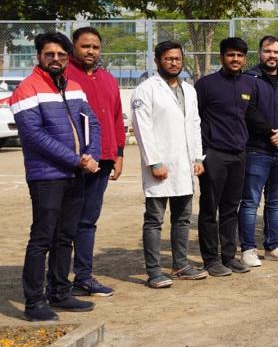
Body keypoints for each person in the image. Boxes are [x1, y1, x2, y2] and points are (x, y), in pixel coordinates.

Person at [11, 32, 101, 321]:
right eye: (50, 54)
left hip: (75, 173)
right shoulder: (27, 88)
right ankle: (34, 301)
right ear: (39, 56)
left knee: (66, 236)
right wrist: (76, 159)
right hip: (46, 176)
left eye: (61, 55)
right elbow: (34, 136)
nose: (56, 59)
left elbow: (92, 121)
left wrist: (91, 155)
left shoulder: (73, 86)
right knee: (42, 238)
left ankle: (60, 293)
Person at [131, 41, 209, 288]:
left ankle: (181, 264)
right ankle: (154, 271)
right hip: (160, 166)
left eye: (177, 58)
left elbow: (195, 124)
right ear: (157, 61)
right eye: (168, 59)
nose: (174, 62)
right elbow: (142, 129)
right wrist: (154, 162)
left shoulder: (189, 90)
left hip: (185, 166)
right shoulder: (146, 90)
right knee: (154, 219)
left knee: (183, 219)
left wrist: (198, 158)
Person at [195, 37, 269, 277]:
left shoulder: (249, 85)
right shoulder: (206, 85)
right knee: (210, 208)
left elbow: (253, 117)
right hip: (214, 154)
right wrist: (201, 154)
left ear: (245, 59)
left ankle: (229, 256)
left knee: (230, 208)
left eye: (239, 55)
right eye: (230, 55)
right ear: (221, 57)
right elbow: (194, 121)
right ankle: (211, 259)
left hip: (239, 154)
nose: (235, 59)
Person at [64, 26, 124, 298]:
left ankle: (84, 277)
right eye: (85, 46)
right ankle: (58, 279)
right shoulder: (64, 76)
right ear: (73, 47)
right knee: (65, 221)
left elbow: (115, 118)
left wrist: (118, 154)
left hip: (103, 160)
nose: (91, 51)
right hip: (74, 162)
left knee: (88, 220)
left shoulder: (109, 80)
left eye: (95, 47)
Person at [239, 35, 278, 266]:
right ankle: (248, 249)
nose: (272, 56)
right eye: (268, 51)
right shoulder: (248, 80)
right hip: (257, 151)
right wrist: (271, 133)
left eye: (277, 52)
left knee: (276, 202)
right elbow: (248, 111)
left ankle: (273, 246)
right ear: (260, 52)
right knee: (250, 201)